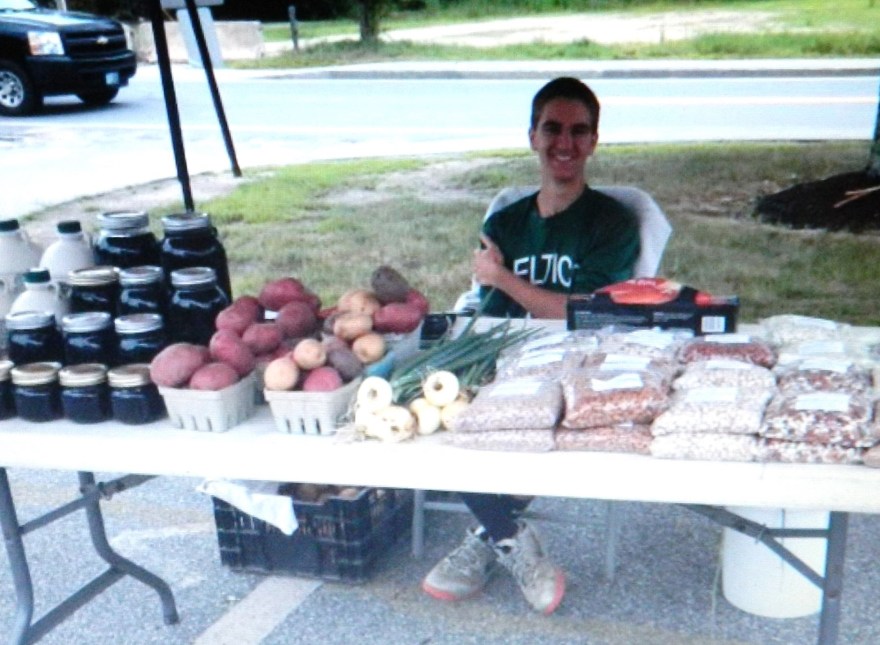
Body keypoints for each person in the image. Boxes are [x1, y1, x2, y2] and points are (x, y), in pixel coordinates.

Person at [421, 77, 641, 614]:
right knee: (440, 418)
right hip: (502, 356)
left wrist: (503, 280)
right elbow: (492, 312)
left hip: (574, 359)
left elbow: (583, 314)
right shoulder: (504, 222)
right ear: (532, 136)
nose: (564, 142)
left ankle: (486, 537)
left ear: (593, 141)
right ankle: (513, 541)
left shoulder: (613, 222)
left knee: (529, 424)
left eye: (578, 131)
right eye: (552, 129)